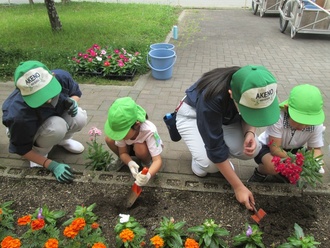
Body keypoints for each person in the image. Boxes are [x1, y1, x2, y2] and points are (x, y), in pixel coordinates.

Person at [175, 65, 280, 210]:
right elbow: (216, 148)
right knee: (208, 165)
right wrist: (238, 187)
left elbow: (252, 114)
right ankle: (199, 153)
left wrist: (249, 132)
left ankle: (218, 159)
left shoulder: (254, 85)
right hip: (192, 115)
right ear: (231, 94)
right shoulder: (211, 98)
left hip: (224, 117)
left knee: (252, 147)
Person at [2, 60, 88, 183]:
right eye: (38, 95)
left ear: (52, 76)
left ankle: (63, 140)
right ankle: (39, 154)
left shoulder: (61, 77)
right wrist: (50, 165)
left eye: (46, 90)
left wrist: (73, 101)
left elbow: (75, 92)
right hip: (24, 132)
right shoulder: (18, 115)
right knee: (57, 126)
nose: (48, 100)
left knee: (79, 117)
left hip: (52, 120)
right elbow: (21, 149)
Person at [248, 84, 325, 183]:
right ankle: (261, 172)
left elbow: (315, 149)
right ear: (287, 108)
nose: (302, 127)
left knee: (299, 167)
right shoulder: (277, 117)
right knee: (274, 167)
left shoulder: (316, 124)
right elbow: (275, 149)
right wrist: (294, 161)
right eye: (299, 121)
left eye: (307, 123)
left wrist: (316, 162)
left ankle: (283, 173)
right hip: (267, 147)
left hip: (294, 149)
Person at [104, 96, 163, 186]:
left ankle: (146, 163)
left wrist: (148, 175)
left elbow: (158, 160)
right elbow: (123, 152)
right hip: (129, 146)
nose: (119, 136)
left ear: (136, 125)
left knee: (139, 147)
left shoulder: (149, 131)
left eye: (122, 133)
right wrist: (129, 162)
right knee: (109, 139)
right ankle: (123, 161)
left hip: (144, 149)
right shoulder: (122, 127)